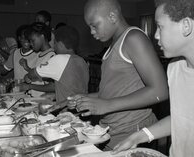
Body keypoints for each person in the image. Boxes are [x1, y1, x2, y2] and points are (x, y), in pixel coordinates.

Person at [68, 0, 168, 149]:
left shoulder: (133, 38)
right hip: (113, 128)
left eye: (94, 25)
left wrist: (106, 105)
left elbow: (161, 91)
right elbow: (114, 91)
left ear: (112, 16)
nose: (91, 32)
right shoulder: (112, 47)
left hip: (132, 129)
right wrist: (86, 98)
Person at [113, 0, 194, 156]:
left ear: (186, 26)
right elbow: (182, 119)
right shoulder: (175, 68)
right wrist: (139, 135)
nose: (155, 35)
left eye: (160, 27)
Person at [24, 25, 89, 108]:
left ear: (60, 44)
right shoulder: (82, 61)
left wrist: (27, 75)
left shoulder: (60, 59)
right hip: (82, 107)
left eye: (55, 43)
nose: (54, 47)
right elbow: (70, 87)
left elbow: (33, 74)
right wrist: (54, 95)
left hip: (69, 110)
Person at [19, 22, 56, 97]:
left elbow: (53, 86)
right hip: (35, 100)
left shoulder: (52, 56)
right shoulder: (40, 55)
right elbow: (40, 75)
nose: (31, 44)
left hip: (44, 102)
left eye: (33, 40)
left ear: (42, 37)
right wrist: (28, 73)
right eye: (29, 41)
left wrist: (30, 86)